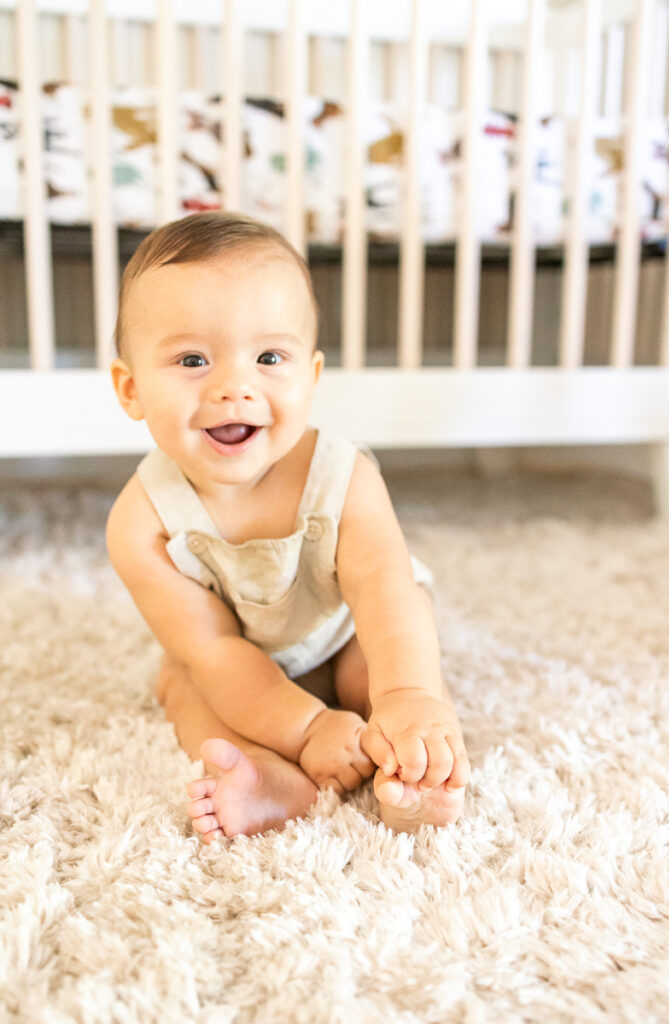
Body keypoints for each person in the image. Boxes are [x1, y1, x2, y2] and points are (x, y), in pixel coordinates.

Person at [106, 210, 471, 842]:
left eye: (269, 357)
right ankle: (271, 778)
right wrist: (306, 729)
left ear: (312, 377)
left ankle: (413, 773)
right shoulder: (143, 525)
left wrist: (407, 694)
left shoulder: (343, 477)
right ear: (131, 388)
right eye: (193, 360)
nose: (235, 387)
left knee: (377, 678)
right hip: (241, 658)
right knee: (185, 684)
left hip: (347, 631)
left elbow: (386, 594)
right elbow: (216, 650)